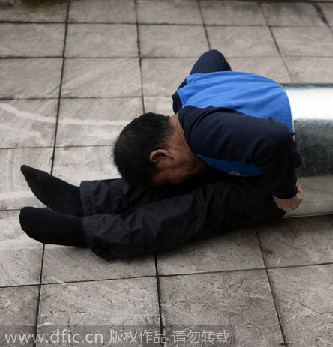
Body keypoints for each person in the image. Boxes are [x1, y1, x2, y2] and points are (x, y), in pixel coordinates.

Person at [18, 50, 303, 260]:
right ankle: (83, 201)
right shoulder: (188, 93)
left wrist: (285, 191)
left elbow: (276, 139)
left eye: (167, 175)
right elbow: (212, 56)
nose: (173, 182)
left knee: (204, 204)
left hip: (293, 171)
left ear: (160, 155)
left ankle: (91, 232)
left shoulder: (204, 130)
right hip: (263, 154)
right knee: (189, 175)